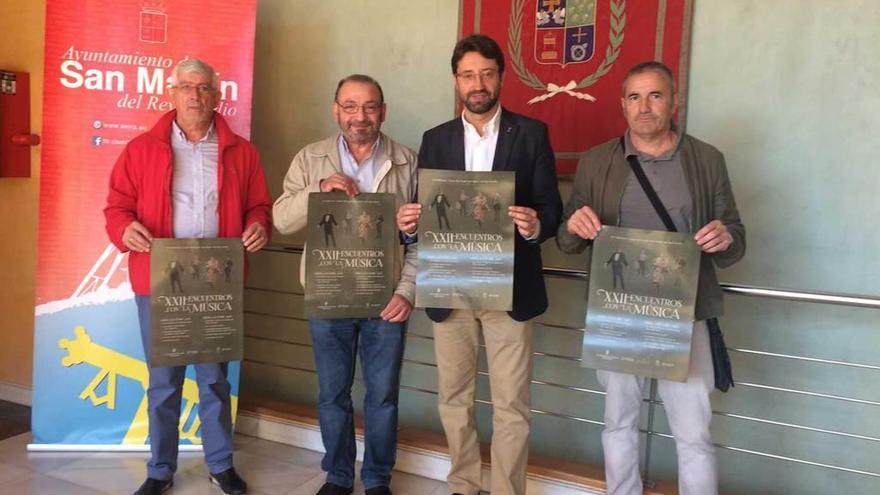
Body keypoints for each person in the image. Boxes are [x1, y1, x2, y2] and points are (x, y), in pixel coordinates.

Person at [556, 61, 746, 495]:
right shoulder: (596, 161)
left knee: (693, 432)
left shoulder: (707, 160)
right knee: (618, 422)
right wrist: (574, 225)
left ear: (674, 101)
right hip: (618, 313)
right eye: (635, 97)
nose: (645, 106)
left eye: (656, 95)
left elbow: (736, 240)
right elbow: (567, 240)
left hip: (686, 312)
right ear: (622, 105)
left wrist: (725, 237)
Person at [396, 34, 562, 495]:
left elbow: (553, 210)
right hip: (449, 288)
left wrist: (534, 224)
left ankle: (509, 490)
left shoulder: (531, 134)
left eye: (487, 73)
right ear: (456, 80)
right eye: (468, 74)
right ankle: (463, 485)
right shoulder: (436, 140)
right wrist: (409, 226)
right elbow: (427, 214)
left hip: (510, 290)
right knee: (453, 398)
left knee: (512, 404)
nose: (478, 83)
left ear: (501, 77)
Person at [104, 58, 271, 495]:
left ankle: (220, 464)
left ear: (217, 96)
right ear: (171, 93)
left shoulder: (241, 151)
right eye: (186, 87)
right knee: (163, 382)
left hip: (217, 280)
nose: (195, 95)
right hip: (161, 279)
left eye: (203, 88)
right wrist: (123, 228)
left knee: (214, 379)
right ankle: (160, 469)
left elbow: (260, 206)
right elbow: (116, 206)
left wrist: (258, 225)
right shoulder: (140, 149)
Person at [272, 74, 417, 495]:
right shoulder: (310, 158)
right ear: (335, 110)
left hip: (385, 300)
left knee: (383, 397)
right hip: (328, 295)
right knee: (332, 394)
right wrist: (318, 190)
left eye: (370, 106)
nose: (360, 116)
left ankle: (376, 479)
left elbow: (422, 238)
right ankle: (337, 476)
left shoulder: (408, 160)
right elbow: (281, 219)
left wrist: (407, 290)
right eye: (350, 106)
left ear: (383, 112)